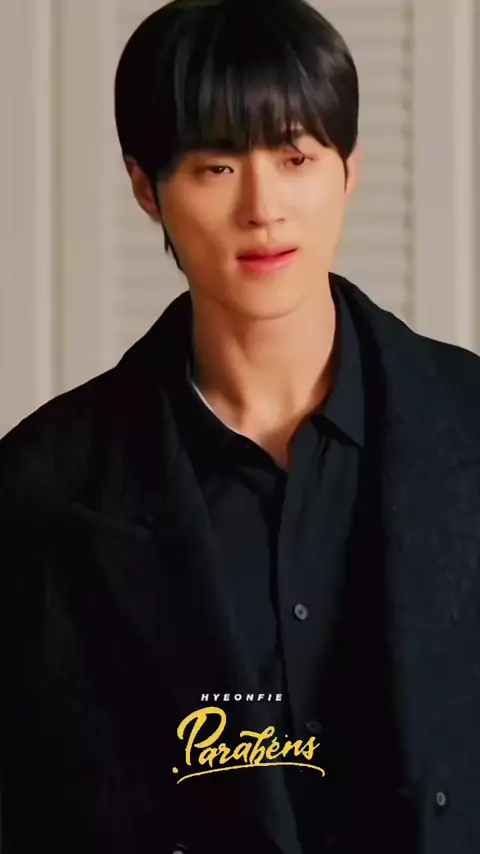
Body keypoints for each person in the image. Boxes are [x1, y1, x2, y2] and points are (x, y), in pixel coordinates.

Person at [1, 0, 480, 852]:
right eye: (217, 167)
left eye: (296, 158)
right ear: (146, 188)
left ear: (349, 170)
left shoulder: (468, 420)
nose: (264, 208)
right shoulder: (39, 487)